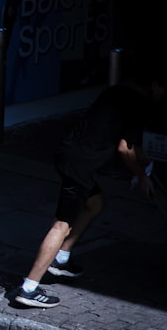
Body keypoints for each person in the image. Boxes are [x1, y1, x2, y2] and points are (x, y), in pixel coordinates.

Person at [13, 70, 166, 308]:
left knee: (95, 203)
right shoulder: (138, 105)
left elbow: (122, 140)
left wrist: (141, 158)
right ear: (155, 85)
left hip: (69, 154)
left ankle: (62, 259)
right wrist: (141, 177)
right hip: (81, 165)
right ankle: (29, 287)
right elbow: (124, 150)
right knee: (62, 225)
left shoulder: (116, 92)